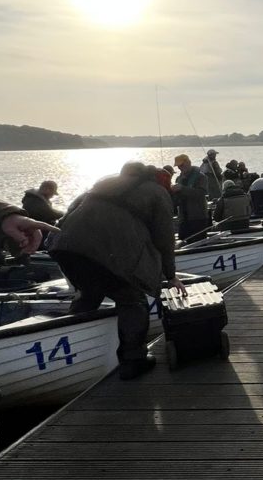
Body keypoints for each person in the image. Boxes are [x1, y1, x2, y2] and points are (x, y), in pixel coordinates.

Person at [50, 162, 185, 380]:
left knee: (88, 294)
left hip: (67, 248)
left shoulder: (103, 183)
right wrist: (170, 275)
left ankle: (75, 356)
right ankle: (134, 360)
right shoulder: (156, 191)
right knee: (132, 300)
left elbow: (70, 211)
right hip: (111, 253)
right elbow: (164, 237)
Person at [172, 154, 209, 242]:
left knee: (199, 242)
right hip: (183, 219)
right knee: (183, 241)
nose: (180, 168)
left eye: (181, 165)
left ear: (188, 163)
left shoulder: (201, 177)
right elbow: (177, 200)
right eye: (178, 166)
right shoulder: (178, 179)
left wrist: (182, 188)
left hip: (197, 218)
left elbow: (201, 193)